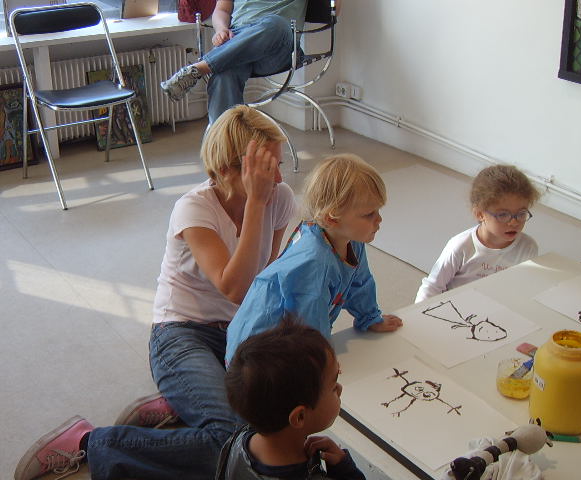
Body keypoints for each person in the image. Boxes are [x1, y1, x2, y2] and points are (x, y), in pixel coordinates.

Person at [13, 105, 296, 480]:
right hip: (181, 333)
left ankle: (177, 402)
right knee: (233, 440)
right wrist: (256, 204)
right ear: (231, 168)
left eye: (278, 164)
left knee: (276, 421)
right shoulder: (194, 208)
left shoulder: (280, 197)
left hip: (238, 331)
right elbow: (236, 288)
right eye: (267, 168)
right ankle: (89, 442)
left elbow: (263, 281)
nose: (278, 178)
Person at [225, 153, 402, 365]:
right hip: (256, 358)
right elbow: (310, 321)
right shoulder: (315, 262)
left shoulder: (350, 239)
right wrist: (323, 361)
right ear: (332, 218)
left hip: (289, 340)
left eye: (378, 210)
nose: (379, 219)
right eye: (368, 214)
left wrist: (370, 318)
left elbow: (360, 283)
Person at [218, 318, 366, 479]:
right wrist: (344, 471)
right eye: (333, 386)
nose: (340, 389)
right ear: (299, 416)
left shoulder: (239, 440)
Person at [161, 0, 341, 125]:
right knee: (224, 74)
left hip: (278, 46)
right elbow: (221, 10)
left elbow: (331, 11)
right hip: (238, 41)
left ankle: (199, 68)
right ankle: (223, 158)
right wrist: (221, 29)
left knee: (276, 24)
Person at [415, 164, 540, 303]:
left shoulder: (528, 247)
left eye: (521, 214)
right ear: (480, 214)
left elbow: (525, 287)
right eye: (503, 215)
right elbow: (432, 287)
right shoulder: (461, 246)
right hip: (458, 307)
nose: (514, 222)